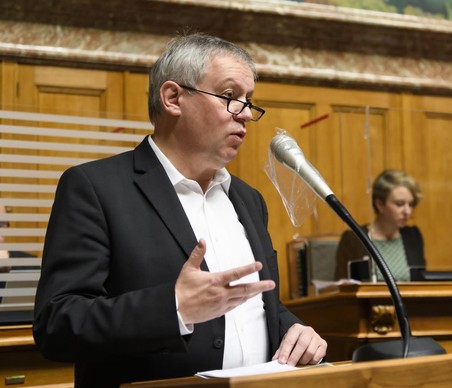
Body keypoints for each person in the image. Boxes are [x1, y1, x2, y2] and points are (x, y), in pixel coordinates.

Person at [33, 32, 326, 387]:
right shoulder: (96, 188)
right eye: (231, 97)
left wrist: (293, 328)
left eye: (249, 101)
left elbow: (253, 307)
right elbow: (58, 324)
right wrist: (173, 308)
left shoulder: (248, 199)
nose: (247, 114)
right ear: (173, 98)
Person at [334, 169, 425, 282]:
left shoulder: (413, 235)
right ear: (380, 204)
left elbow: (421, 281)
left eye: (410, 204)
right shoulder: (354, 238)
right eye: (400, 204)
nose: (407, 211)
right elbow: (341, 285)